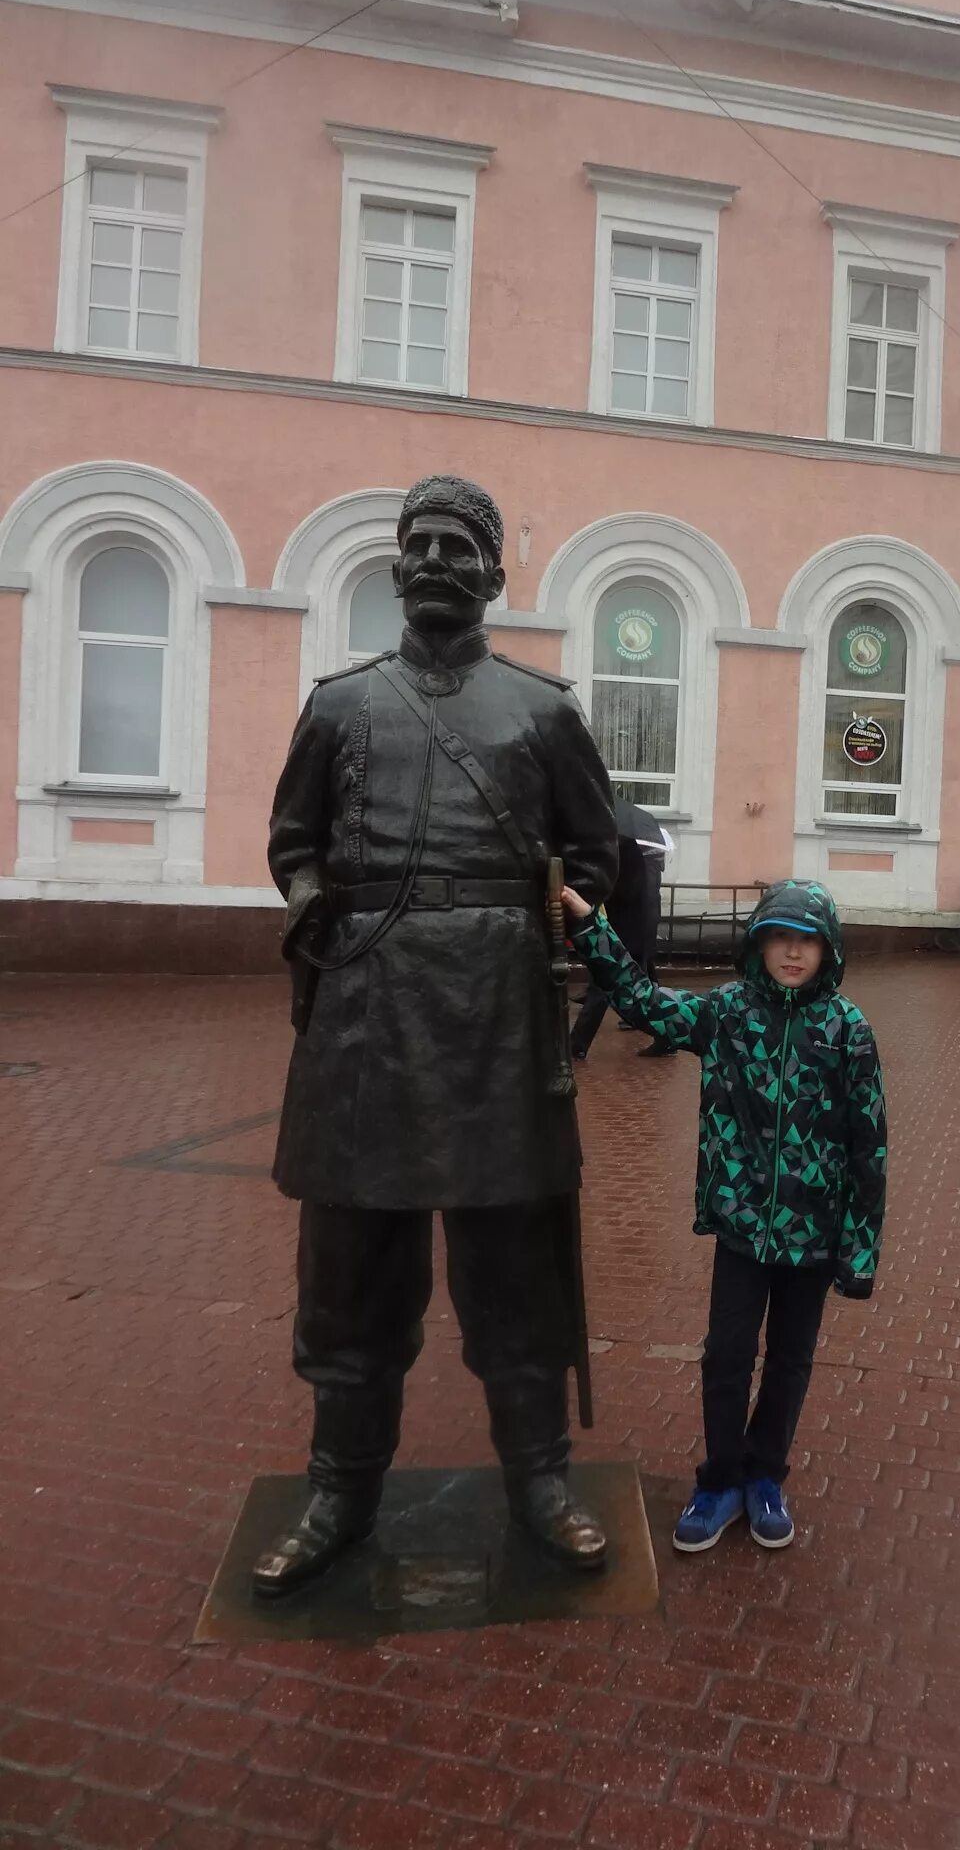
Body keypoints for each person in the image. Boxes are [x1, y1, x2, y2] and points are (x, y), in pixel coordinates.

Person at [256, 473, 618, 1597]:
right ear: (397, 565)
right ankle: (340, 1493)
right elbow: (291, 842)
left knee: (515, 1273)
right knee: (352, 1278)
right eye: (419, 543)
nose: (436, 561)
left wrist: (566, 929)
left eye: (461, 546)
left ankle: (542, 1481)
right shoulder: (340, 707)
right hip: (366, 1022)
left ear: (494, 574)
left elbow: (595, 859)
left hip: (497, 1025)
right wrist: (323, 907)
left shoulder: (545, 712)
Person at [560, 877, 887, 1553]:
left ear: (828, 950)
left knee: (790, 1360)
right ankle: (719, 1482)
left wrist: (858, 1250)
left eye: (808, 942)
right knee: (728, 1356)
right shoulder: (729, 1015)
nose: (793, 954)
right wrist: (592, 926)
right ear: (759, 944)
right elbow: (644, 1001)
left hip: (814, 1231)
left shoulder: (848, 1031)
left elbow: (869, 1146)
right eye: (781, 939)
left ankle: (766, 1477)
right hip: (743, 1226)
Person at [571, 798, 673, 1061]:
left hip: (632, 929)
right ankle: (667, 1037)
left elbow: (625, 892)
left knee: (604, 984)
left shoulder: (624, 853)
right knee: (644, 989)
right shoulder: (619, 850)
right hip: (631, 926)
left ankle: (577, 1044)